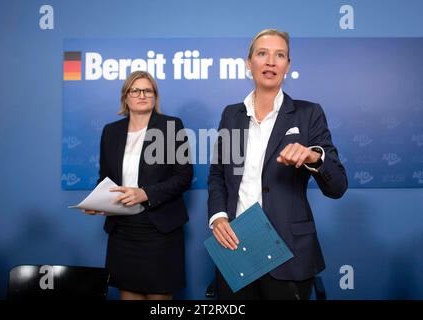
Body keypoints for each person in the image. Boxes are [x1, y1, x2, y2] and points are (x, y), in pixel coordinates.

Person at [207, 29, 348, 300]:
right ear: (249, 63)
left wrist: (313, 157)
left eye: (279, 55)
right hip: (236, 249)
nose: (271, 61)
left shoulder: (309, 113)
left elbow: (338, 186)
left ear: (287, 66)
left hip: (289, 251)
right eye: (262, 53)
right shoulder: (230, 114)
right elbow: (217, 175)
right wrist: (218, 217)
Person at [84, 70, 193, 300]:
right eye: (136, 90)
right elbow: (105, 178)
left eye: (148, 90)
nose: (142, 95)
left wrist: (144, 193)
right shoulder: (111, 132)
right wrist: (98, 202)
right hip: (123, 230)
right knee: (129, 295)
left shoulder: (171, 126)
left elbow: (184, 176)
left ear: (155, 96)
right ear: (126, 97)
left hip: (160, 229)